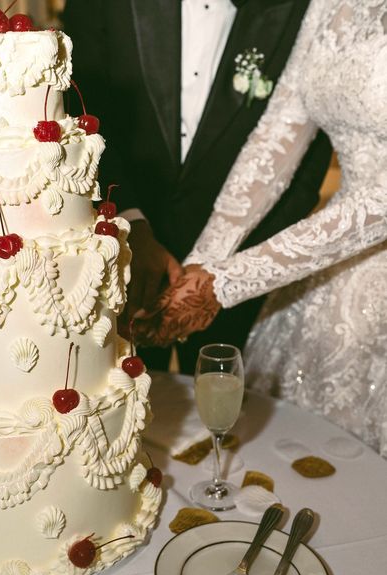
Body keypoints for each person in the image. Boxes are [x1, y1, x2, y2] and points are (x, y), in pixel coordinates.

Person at [135, 0, 387, 456]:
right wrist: (204, 262)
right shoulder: (329, 5)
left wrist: (229, 280)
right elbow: (277, 135)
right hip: (330, 259)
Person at [62, 0, 332, 373]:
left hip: (237, 281)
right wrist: (128, 221)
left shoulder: (300, 9)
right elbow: (77, 113)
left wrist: (228, 273)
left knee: (230, 420)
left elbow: (304, 174)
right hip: (115, 260)